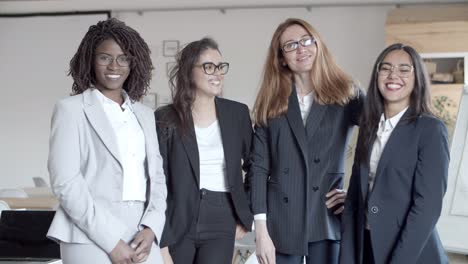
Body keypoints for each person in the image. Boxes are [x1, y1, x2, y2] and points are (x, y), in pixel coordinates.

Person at [47, 18, 167, 264]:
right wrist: (111, 240)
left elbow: (157, 177)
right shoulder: (71, 110)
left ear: (134, 63)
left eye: (123, 58)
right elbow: (66, 183)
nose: (115, 66)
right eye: (104, 57)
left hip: (141, 231)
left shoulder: (144, 115)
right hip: (88, 231)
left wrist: (152, 227)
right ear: (90, 60)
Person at [250, 18, 364, 264]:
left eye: (306, 40)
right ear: (281, 57)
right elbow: (258, 169)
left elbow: (381, 140)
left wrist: (358, 194)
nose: (301, 49)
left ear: (317, 44)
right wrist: (260, 230)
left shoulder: (347, 93)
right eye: (290, 45)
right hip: (280, 222)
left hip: (325, 217)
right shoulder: (271, 101)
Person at [339, 43, 449, 264]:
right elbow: (354, 198)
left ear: (417, 77)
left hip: (411, 254)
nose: (393, 75)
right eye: (386, 68)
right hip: (365, 248)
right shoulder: (368, 127)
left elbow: (426, 209)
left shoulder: (430, 130)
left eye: (404, 69)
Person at [155, 37, 253, 264]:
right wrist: (162, 240)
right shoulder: (165, 118)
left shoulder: (237, 114)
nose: (217, 73)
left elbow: (255, 166)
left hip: (222, 216)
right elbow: (158, 180)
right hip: (177, 217)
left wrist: (244, 215)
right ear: (189, 72)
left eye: (220, 67)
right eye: (208, 67)